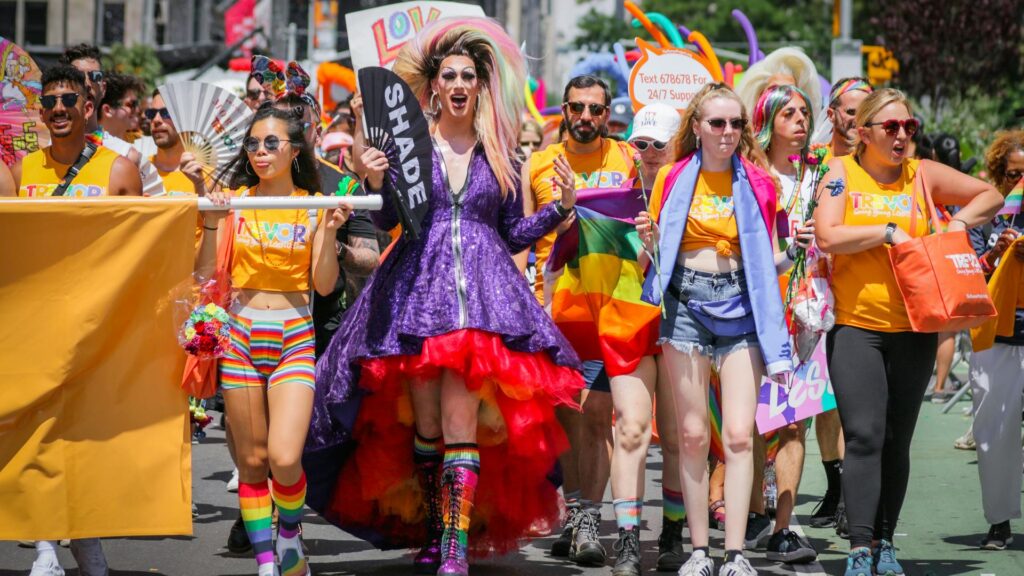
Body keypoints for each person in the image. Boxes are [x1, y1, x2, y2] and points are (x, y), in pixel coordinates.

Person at [305, 17, 583, 576]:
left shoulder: (500, 153)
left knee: (460, 424)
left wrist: (558, 210)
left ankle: (454, 547)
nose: (458, 84)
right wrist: (372, 179)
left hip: (481, 304)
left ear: (479, 86)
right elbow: (387, 220)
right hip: (416, 299)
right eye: (449, 76)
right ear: (433, 87)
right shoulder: (411, 150)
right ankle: (435, 534)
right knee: (426, 428)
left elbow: (508, 231)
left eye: (468, 76)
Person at [813, 88, 1002, 576]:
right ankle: (858, 546)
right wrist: (890, 230)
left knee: (897, 440)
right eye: (891, 128)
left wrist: (953, 225)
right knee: (863, 436)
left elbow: (992, 195)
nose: (902, 137)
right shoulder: (840, 174)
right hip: (857, 327)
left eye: (909, 128)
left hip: (916, 326)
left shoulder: (922, 176)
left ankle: (885, 542)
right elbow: (829, 236)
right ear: (863, 131)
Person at [636, 82, 793, 576]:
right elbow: (652, 260)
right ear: (697, 128)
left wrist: (801, 251)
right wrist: (648, 241)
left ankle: (736, 553)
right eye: (717, 123)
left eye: (737, 124)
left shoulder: (760, 184)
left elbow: (769, 261)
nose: (728, 133)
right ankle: (700, 551)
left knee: (741, 436)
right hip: (685, 305)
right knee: (691, 432)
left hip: (743, 308)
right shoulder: (673, 178)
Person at [198, 104, 351, 576]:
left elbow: (324, 286)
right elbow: (205, 276)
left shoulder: (313, 204)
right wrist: (208, 221)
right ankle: (269, 564)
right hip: (240, 338)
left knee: (285, 460)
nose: (260, 152)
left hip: (294, 338)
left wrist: (328, 231)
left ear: (295, 148)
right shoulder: (233, 201)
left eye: (271, 143)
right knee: (251, 462)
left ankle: (289, 532)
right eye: (252, 145)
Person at [9, 64, 141, 576]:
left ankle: (87, 541)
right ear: (41, 112)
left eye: (69, 101)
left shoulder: (118, 170)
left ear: (89, 109)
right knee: (37, 436)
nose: (59, 110)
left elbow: (139, 250)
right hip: (35, 327)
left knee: (86, 440)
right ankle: (45, 546)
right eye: (50, 103)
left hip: (95, 326)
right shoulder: (21, 171)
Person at [523, 74, 634, 569]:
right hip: (555, 311)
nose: (586, 117)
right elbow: (525, 238)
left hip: (612, 307)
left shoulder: (628, 159)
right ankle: (575, 512)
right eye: (577, 108)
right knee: (567, 419)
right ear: (563, 111)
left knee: (597, 416)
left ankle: (589, 517)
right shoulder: (540, 163)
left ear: (608, 113)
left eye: (595, 109)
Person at [750, 83, 820, 564]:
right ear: (768, 122)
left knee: (795, 426)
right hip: (755, 315)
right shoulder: (751, 179)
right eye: (788, 113)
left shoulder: (821, 178)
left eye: (804, 113)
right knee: (752, 425)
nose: (799, 120)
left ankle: (782, 529)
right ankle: (751, 514)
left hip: (808, 314)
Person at [627, 102, 689, 573]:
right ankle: (629, 540)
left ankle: (671, 532)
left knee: (676, 437)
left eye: (657, 145)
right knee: (630, 431)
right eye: (639, 143)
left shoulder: (692, 192)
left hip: (677, 323)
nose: (648, 153)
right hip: (627, 322)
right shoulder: (617, 195)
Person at [969, 129, 1024, 551]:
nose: (1017, 183)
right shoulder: (983, 214)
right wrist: (994, 255)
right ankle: (999, 521)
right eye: (1011, 175)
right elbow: (964, 274)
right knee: (993, 432)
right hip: (995, 336)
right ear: (997, 175)